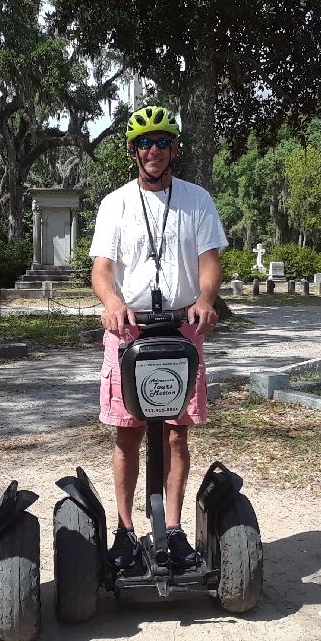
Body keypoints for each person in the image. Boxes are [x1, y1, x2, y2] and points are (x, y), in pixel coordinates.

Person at [88, 106, 228, 572]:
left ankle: (170, 528)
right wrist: (111, 302)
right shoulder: (116, 203)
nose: (153, 150)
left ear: (174, 149)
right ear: (133, 151)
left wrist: (206, 298)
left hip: (181, 327)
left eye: (162, 142)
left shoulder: (197, 200)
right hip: (129, 328)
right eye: (144, 143)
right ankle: (126, 532)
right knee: (126, 433)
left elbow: (209, 261)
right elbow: (102, 270)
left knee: (174, 433)